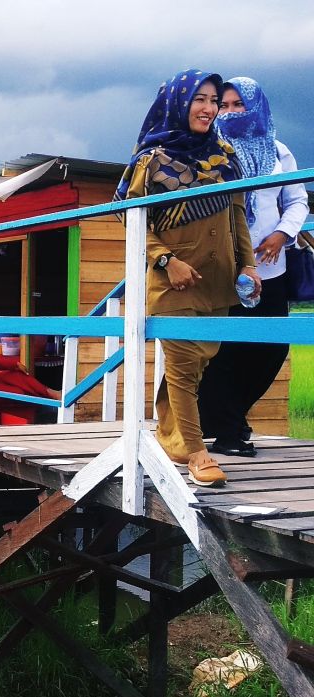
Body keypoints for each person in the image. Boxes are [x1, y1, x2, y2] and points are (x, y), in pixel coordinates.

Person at [115, 69, 258, 487]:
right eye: (200, 99)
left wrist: (247, 265)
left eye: (214, 100)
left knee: (196, 365)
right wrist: (165, 261)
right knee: (180, 366)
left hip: (220, 280)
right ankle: (197, 453)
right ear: (179, 102)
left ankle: (171, 436)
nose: (209, 108)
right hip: (173, 280)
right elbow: (131, 217)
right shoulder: (152, 159)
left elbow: (237, 216)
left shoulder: (225, 155)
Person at [197, 77, 309, 457]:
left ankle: (229, 419)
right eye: (223, 106)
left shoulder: (278, 152)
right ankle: (228, 432)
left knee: (270, 350)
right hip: (224, 268)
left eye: (237, 105)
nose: (229, 113)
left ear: (255, 107)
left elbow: (296, 200)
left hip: (270, 268)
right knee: (225, 351)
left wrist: (282, 233)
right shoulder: (211, 150)